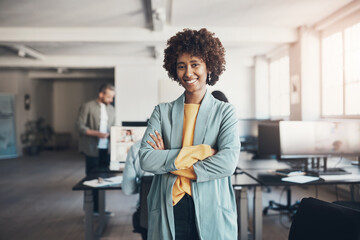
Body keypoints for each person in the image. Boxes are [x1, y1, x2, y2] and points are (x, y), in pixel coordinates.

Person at [139, 28, 240, 240]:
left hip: (211, 204)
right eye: (181, 66)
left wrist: (167, 160)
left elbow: (227, 163)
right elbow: (147, 160)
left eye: (195, 64)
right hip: (170, 204)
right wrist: (202, 151)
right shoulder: (162, 111)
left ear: (209, 66)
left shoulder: (225, 112)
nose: (188, 73)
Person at [76, 83, 115, 214]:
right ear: (101, 94)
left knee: (103, 179)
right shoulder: (87, 106)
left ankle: (100, 208)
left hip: (106, 150)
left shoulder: (111, 109)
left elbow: (113, 126)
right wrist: (97, 134)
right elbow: (79, 126)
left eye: (112, 97)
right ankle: (90, 209)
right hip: (91, 149)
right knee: (91, 180)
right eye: (109, 97)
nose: (111, 100)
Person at [122, 140, 149, 240]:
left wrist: (142, 185)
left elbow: (128, 189)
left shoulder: (136, 148)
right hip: (181, 216)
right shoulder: (187, 146)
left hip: (146, 216)